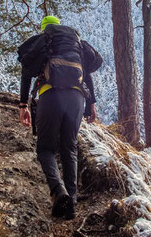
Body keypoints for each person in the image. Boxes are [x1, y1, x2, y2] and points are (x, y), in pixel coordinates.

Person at [18, 15, 101, 220]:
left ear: (44, 29)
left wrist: (23, 104)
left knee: (46, 149)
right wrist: (91, 105)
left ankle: (58, 191)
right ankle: (71, 204)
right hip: (76, 98)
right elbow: (88, 74)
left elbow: (27, 72)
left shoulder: (43, 42)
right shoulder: (76, 45)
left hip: (51, 95)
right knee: (69, 148)